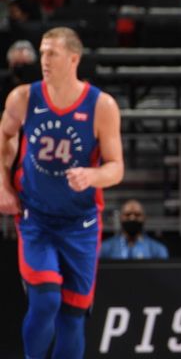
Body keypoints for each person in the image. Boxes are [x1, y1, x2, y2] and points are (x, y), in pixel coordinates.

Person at [0, 26, 124, 359]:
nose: (44, 60)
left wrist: (92, 175)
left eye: (51, 53)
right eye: (42, 52)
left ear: (73, 58)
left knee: (72, 320)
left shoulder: (102, 106)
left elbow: (116, 168)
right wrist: (2, 183)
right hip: (36, 218)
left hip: (81, 224)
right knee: (46, 300)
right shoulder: (24, 98)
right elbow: (4, 137)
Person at [100, 199, 169, 260]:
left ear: (144, 218)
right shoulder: (104, 248)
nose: (132, 218)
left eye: (137, 214)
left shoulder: (157, 250)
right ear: (121, 217)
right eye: (127, 214)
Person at [1, 39, 38, 111]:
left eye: (24, 65)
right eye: (17, 64)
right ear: (10, 63)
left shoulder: (39, 87)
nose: (20, 68)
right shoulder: (2, 83)